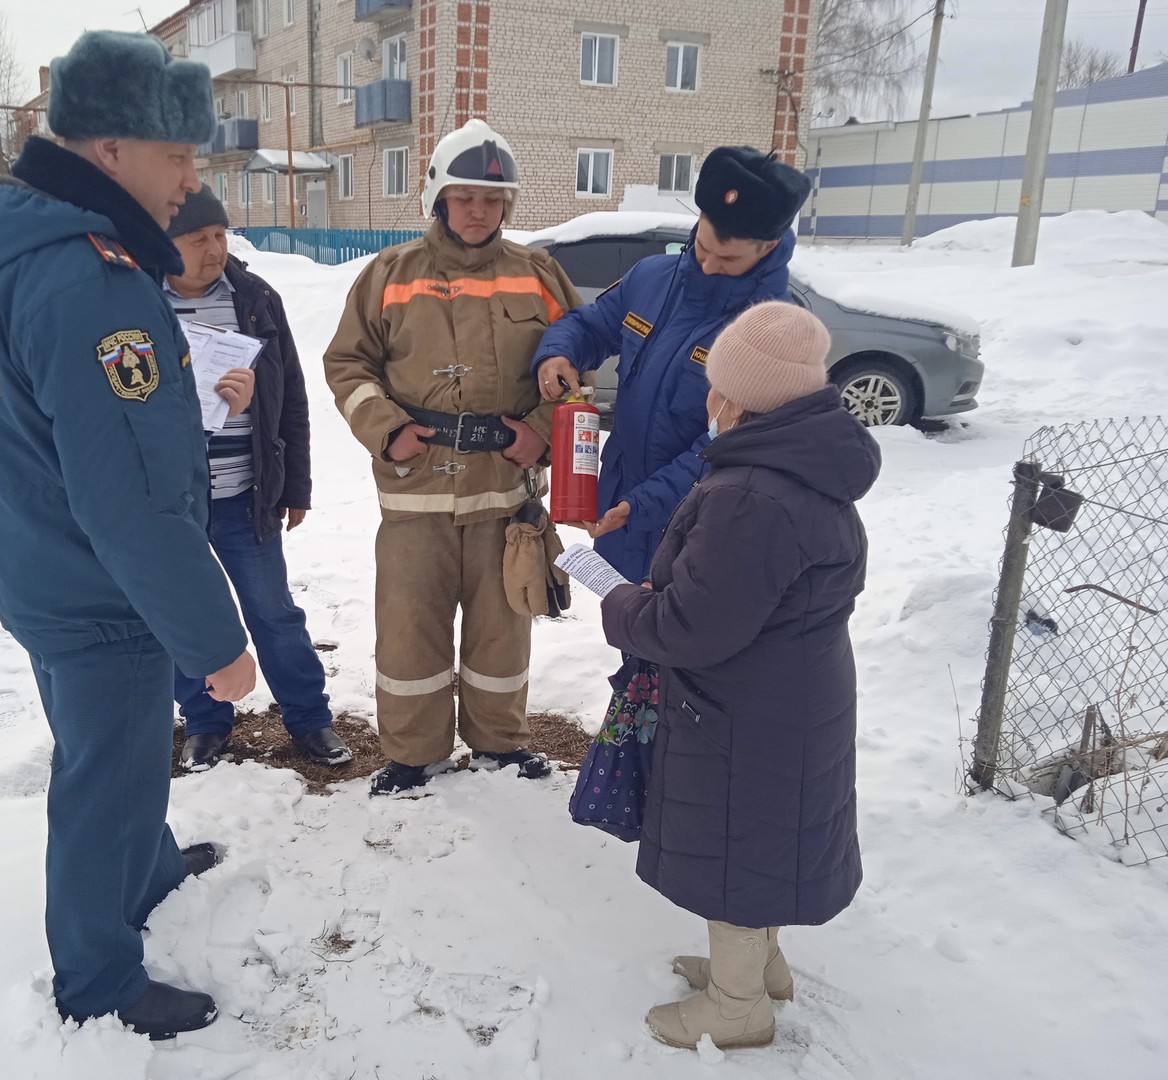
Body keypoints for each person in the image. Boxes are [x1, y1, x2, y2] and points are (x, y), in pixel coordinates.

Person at [0, 30, 255, 1040]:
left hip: (38, 555)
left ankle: (151, 866)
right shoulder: (92, 282)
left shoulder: (12, 228)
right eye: (179, 159)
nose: (190, 184)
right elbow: (128, 499)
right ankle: (96, 975)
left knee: (115, 753)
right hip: (96, 584)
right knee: (103, 776)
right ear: (111, 149)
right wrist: (216, 644)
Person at [599, 301, 880, 1051]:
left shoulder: (753, 496)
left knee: (734, 847)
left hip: (743, 710)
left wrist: (621, 601)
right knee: (766, 837)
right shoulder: (804, 467)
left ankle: (737, 1006)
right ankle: (763, 965)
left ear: (740, 397)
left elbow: (691, 627)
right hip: (791, 694)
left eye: (716, 387)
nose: (708, 402)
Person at [322, 118, 582, 796]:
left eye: (492, 200)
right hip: (416, 495)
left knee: (504, 630)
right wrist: (385, 429)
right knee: (410, 632)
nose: (478, 210)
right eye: (465, 196)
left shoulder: (539, 276)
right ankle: (414, 754)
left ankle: (500, 742)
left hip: (505, 492)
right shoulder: (389, 275)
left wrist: (541, 429)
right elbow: (347, 363)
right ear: (439, 196)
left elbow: (575, 368)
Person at [534, 145, 813, 584]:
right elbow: (592, 325)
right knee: (629, 630)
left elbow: (730, 446)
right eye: (702, 247)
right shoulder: (652, 278)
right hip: (623, 506)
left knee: (682, 641)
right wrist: (558, 353)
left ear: (769, 247)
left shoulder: (773, 328)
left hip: (699, 519)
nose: (707, 265)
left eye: (728, 260)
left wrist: (642, 504)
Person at [163, 188, 352, 770]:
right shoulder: (136, 306)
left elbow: (291, 396)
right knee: (185, 612)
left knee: (274, 611)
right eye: (198, 240)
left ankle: (310, 719)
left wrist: (295, 488)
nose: (215, 249)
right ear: (165, 244)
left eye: (219, 235)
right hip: (173, 503)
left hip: (247, 492)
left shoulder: (255, 299)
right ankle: (205, 720)